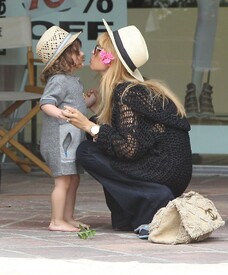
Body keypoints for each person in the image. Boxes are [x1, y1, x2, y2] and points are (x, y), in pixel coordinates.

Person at [61, 19, 193, 238]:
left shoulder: (129, 93)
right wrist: (94, 118)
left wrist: (89, 126)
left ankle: (155, 198)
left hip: (164, 174)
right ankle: (129, 215)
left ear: (111, 60)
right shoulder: (132, 89)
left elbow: (128, 148)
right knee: (97, 146)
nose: (91, 53)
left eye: (98, 49)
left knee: (87, 152)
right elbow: (130, 135)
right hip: (169, 171)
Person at [36, 26, 93, 232]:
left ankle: (67, 217)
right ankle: (56, 220)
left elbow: (75, 105)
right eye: (77, 50)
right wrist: (60, 114)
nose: (83, 53)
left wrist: (91, 100)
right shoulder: (58, 80)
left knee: (73, 180)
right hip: (60, 141)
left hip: (70, 141)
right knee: (63, 182)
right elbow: (45, 103)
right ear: (64, 58)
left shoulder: (70, 80)